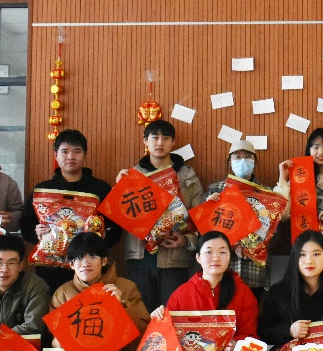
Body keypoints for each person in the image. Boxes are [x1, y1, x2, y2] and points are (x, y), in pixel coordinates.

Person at [21, 130, 121, 294]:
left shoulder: (100, 189)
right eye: (65, 151)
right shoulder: (42, 190)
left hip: (88, 270)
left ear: (85, 155)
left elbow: (116, 227)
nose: (71, 157)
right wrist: (36, 232)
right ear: (56, 155)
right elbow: (26, 224)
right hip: (50, 269)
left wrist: (99, 244)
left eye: (77, 151)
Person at [121, 120, 205, 310]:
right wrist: (119, 190)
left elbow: (200, 217)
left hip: (175, 260)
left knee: (172, 316)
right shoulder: (132, 176)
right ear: (145, 141)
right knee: (141, 316)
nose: (160, 143)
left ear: (173, 142)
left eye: (165, 138)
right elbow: (121, 217)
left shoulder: (187, 177)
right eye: (155, 138)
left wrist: (186, 241)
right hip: (140, 257)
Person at [257, 230, 323, 351]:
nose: (309, 261)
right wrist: (289, 331)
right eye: (302, 255)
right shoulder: (278, 292)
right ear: (294, 259)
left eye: (316, 254)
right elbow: (263, 333)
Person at [205, 139, 273, 301]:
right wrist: (208, 209)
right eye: (237, 156)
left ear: (255, 161)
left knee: (252, 314)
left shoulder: (266, 193)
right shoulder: (215, 190)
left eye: (248, 157)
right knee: (222, 314)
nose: (242, 161)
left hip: (254, 272)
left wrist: (251, 248)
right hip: (221, 270)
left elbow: (274, 234)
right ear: (230, 162)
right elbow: (204, 233)